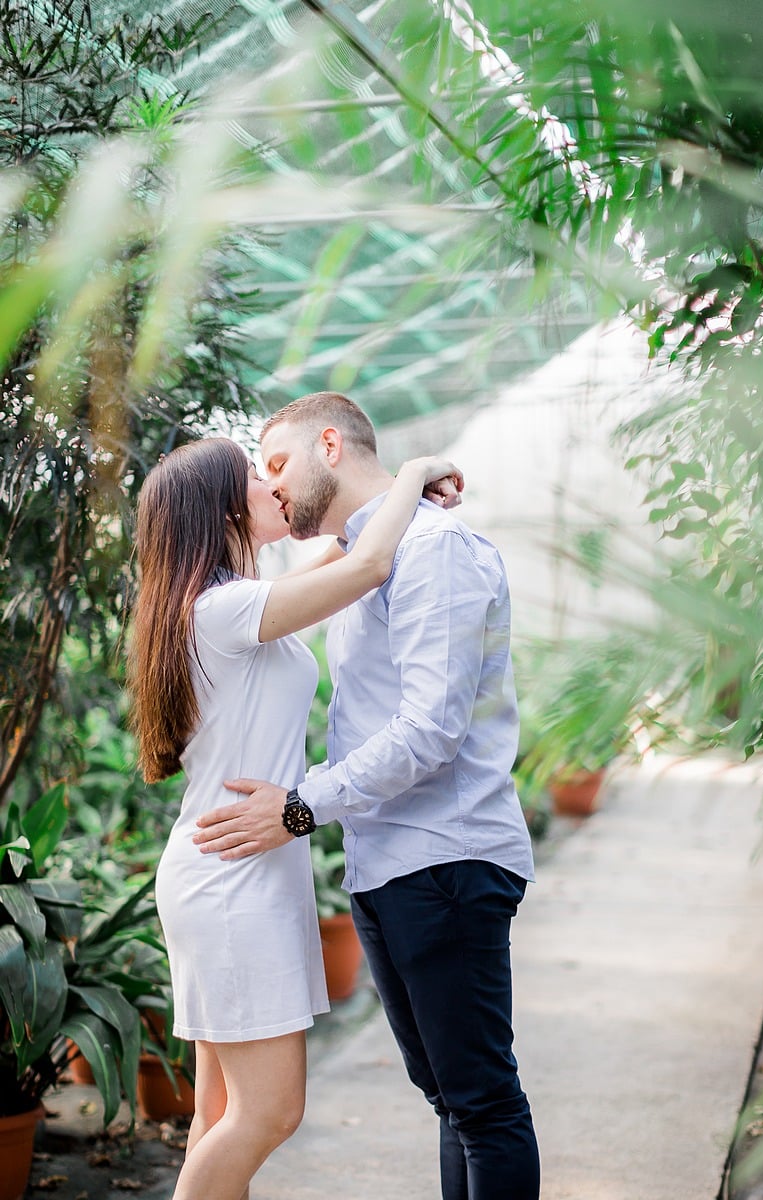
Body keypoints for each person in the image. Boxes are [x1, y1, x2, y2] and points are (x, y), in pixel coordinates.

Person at [194, 393, 541, 1200]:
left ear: (330, 445)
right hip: (388, 862)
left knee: (483, 1105)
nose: (271, 487)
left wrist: (297, 808)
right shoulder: (368, 556)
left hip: (444, 858)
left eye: (276, 464)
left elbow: (430, 729)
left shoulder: (433, 547)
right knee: (452, 1102)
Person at [128, 435, 462, 1200]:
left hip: (231, 867)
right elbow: (366, 568)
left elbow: (339, 564)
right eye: (255, 475)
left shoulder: (217, 606)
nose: (273, 484)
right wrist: (411, 474)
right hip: (232, 879)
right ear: (220, 508)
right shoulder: (223, 610)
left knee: (219, 1112)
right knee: (270, 1113)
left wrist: (383, 511)